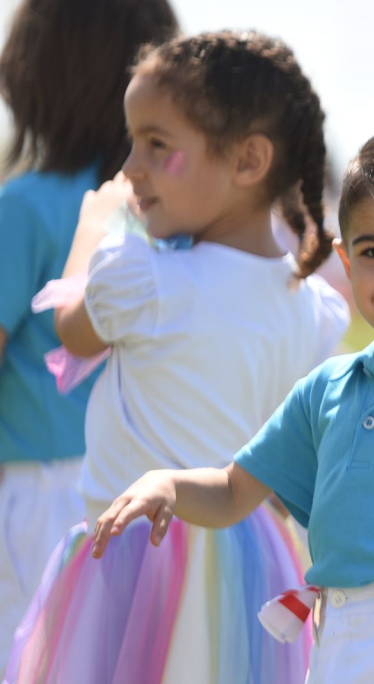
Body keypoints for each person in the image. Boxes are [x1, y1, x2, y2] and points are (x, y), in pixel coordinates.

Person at [90, 122, 374, 684]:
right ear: (346, 261)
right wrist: (169, 484)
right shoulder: (327, 389)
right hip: (337, 643)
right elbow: (235, 490)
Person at [5, 31, 350, 683]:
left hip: (136, 547)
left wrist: (93, 229)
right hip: (253, 557)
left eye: (156, 146)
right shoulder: (311, 307)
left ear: (248, 161)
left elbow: (74, 333)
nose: (131, 167)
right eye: (132, 141)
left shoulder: (141, 277)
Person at [0, 0, 178, 675]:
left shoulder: (24, 207)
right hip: (152, 498)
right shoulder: (171, 216)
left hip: (37, 500)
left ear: (37, 72)